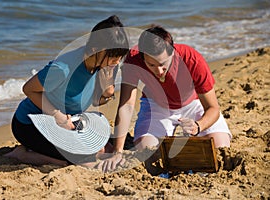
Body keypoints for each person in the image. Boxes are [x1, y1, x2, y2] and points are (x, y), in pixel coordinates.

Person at [98, 25, 231, 172]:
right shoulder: (134, 60)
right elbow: (126, 106)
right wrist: (117, 152)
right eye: (151, 65)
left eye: (163, 64)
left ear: (172, 53)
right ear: (142, 58)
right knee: (147, 153)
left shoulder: (192, 59)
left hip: (193, 104)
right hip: (157, 106)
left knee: (220, 150)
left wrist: (198, 126)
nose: (159, 71)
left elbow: (213, 108)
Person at [5, 15, 129, 166]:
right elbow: (28, 89)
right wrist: (58, 115)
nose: (117, 62)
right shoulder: (64, 69)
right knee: (80, 161)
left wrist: (108, 89)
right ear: (96, 49)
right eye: (114, 57)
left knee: (105, 149)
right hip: (31, 123)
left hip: (68, 121)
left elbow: (97, 100)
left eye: (120, 57)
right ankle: (22, 155)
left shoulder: (106, 64)